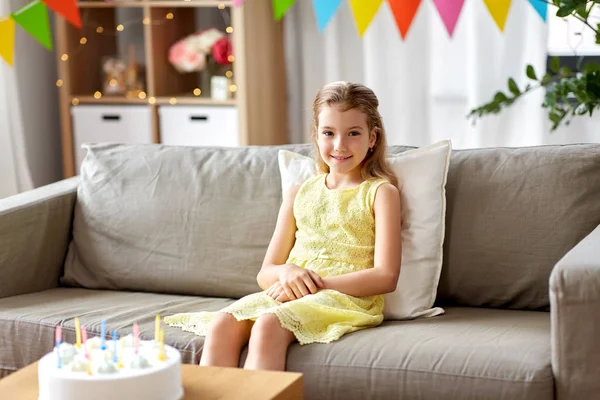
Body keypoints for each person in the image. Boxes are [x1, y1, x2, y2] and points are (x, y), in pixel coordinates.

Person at [165, 81, 402, 371]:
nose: (340, 145)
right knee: (223, 323)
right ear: (316, 135)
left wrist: (315, 285)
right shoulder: (298, 193)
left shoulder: (380, 193)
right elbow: (266, 273)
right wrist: (288, 272)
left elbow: (386, 276)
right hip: (291, 291)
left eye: (353, 133)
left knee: (268, 325)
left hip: (344, 298)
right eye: (329, 133)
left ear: (372, 138)